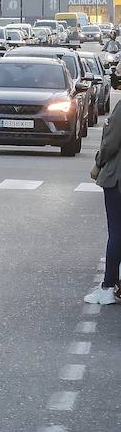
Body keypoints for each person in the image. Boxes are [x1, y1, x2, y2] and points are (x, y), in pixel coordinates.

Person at [87, 110, 121, 304]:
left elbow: (111, 143)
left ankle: (107, 287)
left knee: (116, 232)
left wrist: (98, 164)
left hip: (118, 178)